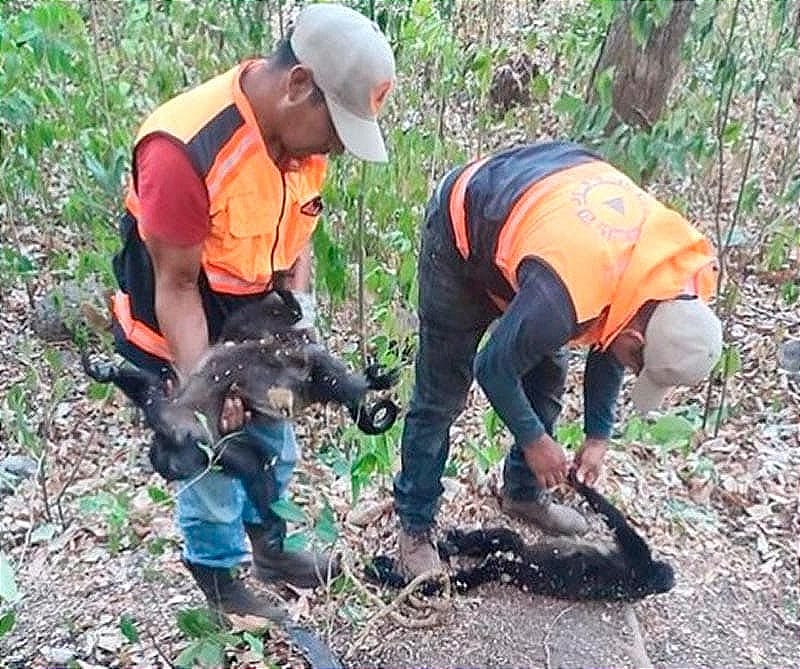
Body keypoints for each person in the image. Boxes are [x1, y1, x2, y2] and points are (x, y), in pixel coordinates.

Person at [108, 4, 395, 622]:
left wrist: (300, 337)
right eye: (336, 131)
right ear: (299, 87)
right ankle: (217, 581)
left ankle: (272, 549)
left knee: (275, 444)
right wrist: (206, 390)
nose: (337, 150)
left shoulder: (302, 143)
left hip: (254, 323)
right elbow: (177, 286)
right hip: (177, 329)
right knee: (213, 458)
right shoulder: (184, 149)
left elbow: (298, 241)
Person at [393, 141, 723, 578]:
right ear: (639, 337)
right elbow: (492, 367)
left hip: (541, 249)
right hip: (465, 233)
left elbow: (615, 333)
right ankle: (414, 526)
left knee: (548, 377)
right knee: (441, 396)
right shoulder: (564, 292)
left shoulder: (669, 279)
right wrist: (535, 441)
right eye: (638, 365)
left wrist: (598, 433)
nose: (632, 371)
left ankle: (524, 494)